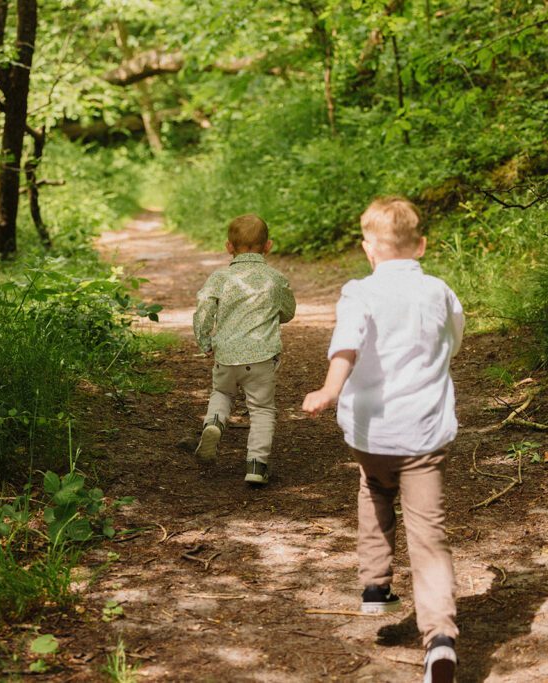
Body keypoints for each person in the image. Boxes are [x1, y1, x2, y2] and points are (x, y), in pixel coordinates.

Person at [302, 197, 464, 683]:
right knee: (429, 537)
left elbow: (345, 346)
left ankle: (375, 586)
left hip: (370, 432)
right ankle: (438, 639)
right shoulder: (438, 291)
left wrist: (330, 390)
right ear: (421, 245)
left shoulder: (359, 292)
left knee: (374, 488)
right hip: (423, 433)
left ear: (368, 248)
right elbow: (453, 340)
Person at [193, 214, 296, 485]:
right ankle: (256, 466)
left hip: (226, 355)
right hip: (261, 356)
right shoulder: (275, 278)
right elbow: (287, 312)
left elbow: (204, 309)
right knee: (262, 409)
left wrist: (205, 341)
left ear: (229, 247)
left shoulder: (220, 278)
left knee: (222, 392)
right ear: (268, 246)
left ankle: (214, 422)